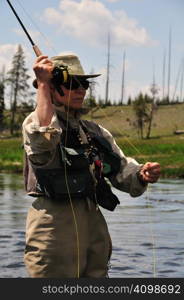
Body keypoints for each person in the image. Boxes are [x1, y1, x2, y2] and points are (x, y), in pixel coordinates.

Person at [22, 53, 161, 278]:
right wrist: (43, 84)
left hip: (93, 222)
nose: (81, 90)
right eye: (72, 84)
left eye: (84, 84)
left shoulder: (95, 132)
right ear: (51, 87)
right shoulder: (36, 122)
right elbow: (43, 137)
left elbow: (122, 171)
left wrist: (142, 174)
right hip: (54, 225)